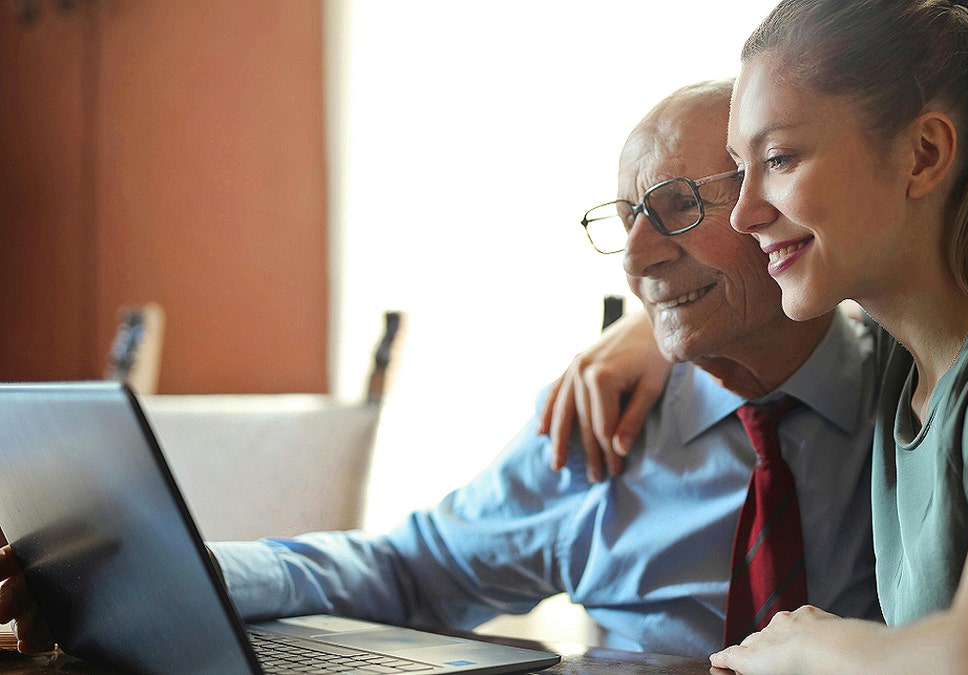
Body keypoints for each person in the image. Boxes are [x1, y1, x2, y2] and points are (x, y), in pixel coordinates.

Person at [0, 79, 881, 660]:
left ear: (778, 204)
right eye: (627, 217)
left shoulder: (920, 390)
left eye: (680, 205)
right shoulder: (597, 423)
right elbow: (408, 571)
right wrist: (176, 573)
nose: (638, 257)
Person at [545, 1, 968, 673]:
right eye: (741, 172)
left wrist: (809, 647)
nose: (745, 213)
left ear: (923, 155)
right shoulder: (908, 358)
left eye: (779, 159)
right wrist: (658, 329)